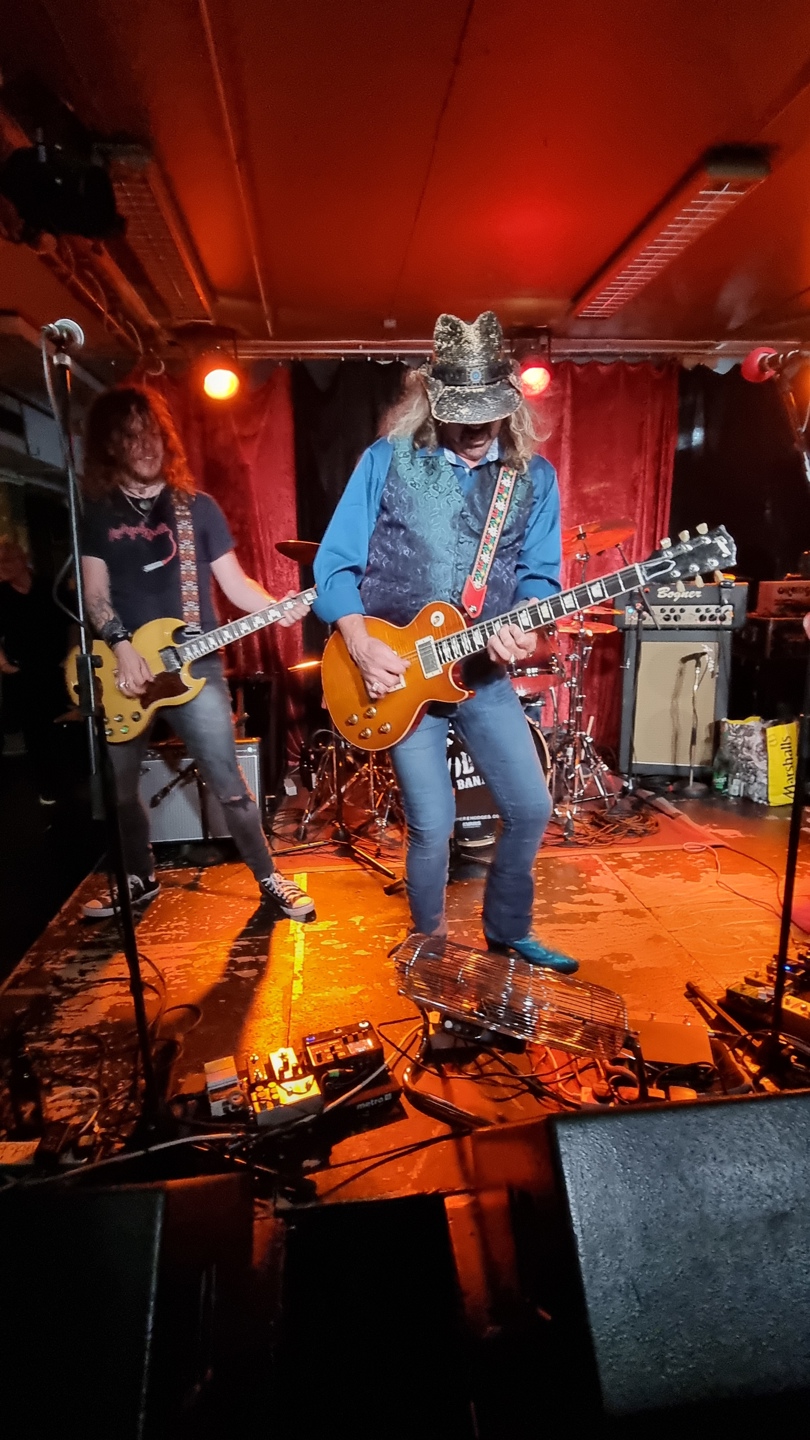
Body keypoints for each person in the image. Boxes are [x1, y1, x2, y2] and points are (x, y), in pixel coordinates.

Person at [313, 312, 577, 972]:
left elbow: (542, 578)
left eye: (489, 410)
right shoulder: (387, 461)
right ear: (434, 400)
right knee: (433, 825)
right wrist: (359, 641)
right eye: (463, 410)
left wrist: (528, 622)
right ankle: (428, 946)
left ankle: (508, 930)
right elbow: (334, 564)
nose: (477, 426)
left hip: (482, 672)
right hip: (398, 674)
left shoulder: (532, 478)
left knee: (529, 806)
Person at [79, 384, 315, 922]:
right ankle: (138, 878)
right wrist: (119, 645)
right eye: (131, 437)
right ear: (111, 445)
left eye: (152, 434)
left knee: (231, 786)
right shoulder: (97, 509)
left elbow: (234, 586)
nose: (145, 446)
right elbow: (93, 593)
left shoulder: (196, 509)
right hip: (123, 670)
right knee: (118, 791)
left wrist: (277, 606)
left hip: (195, 665)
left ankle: (269, 878)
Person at [0, 538, 69, 804]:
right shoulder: (2, 595)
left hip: (57, 667)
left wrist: (72, 654)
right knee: (35, 732)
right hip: (24, 671)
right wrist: (5, 665)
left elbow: (72, 622)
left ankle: (75, 781)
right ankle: (47, 788)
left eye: (8, 560)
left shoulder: (49, 587)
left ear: (22, 559)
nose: (3, 567)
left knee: (64, 724)